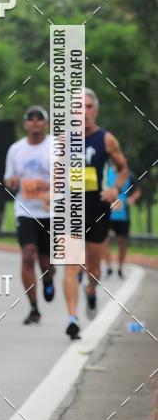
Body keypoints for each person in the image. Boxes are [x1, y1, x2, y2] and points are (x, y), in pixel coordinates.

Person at [62, 89, 128, 340]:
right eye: (78, 108)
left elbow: (123, 169)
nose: (84, 112)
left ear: (96, 111)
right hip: (71, 209)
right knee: (71, 266)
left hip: (98, 208)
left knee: (94, 268)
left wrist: (115, 189)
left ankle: (91, 290)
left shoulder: (106, 139)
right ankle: (72, 318)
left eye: (88, 107)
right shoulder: (62, 141)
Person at [4, 106, 55, 326]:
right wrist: (12, 183)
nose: (35, 123)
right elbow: (9, 179)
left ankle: (49, 278)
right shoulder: (16, 150)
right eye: (30, 119)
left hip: (51, 210)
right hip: (25, 210)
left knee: (46, 262)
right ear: (25, 124)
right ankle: (34, 308)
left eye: (39, 119)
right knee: (28, 254)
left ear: (46, 123)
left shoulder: (56, 147)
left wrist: (48, 186)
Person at [103, 163, 141, 278]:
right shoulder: (105, 172)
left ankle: (120, 268)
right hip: (107, 214)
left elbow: (137, 191)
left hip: (123, 215)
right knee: (104, 240)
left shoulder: (129, 174)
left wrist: (131, 200)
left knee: (122, 242)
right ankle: (109, 266)